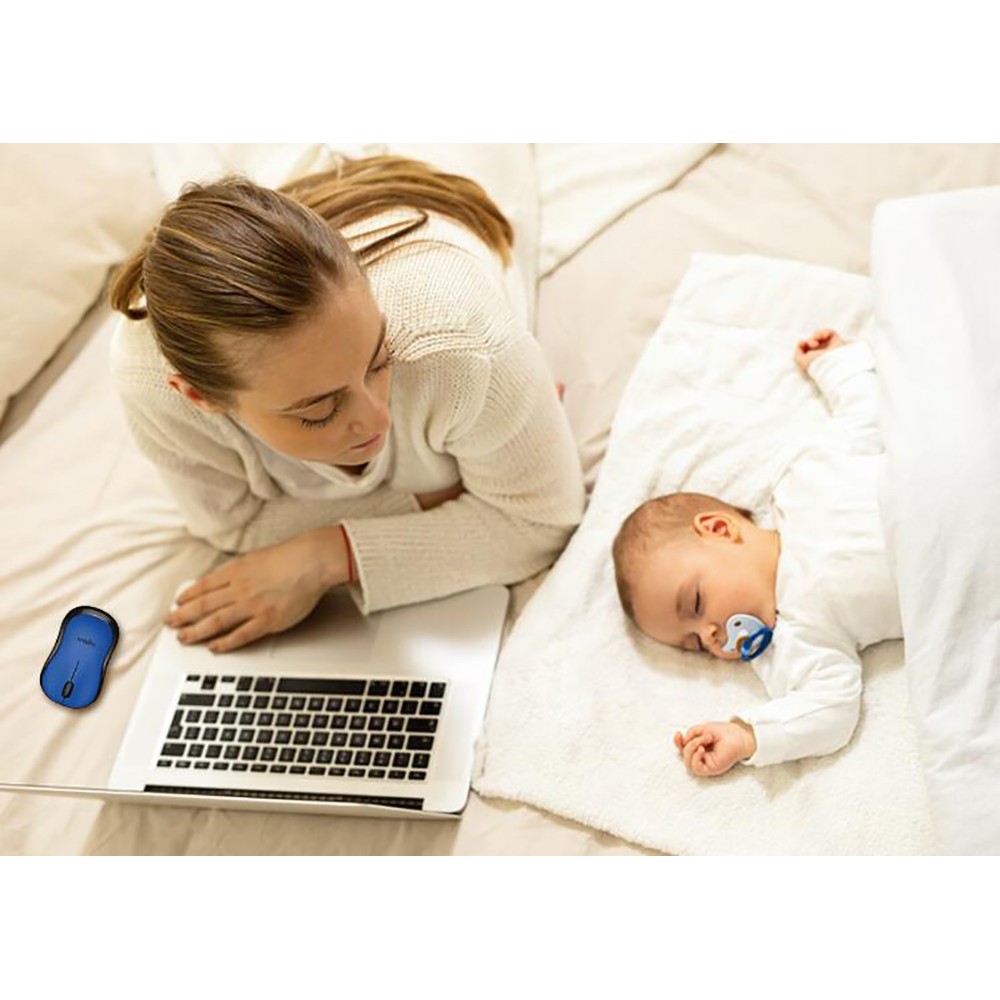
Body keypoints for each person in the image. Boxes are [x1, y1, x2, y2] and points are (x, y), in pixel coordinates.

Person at [108, 154, 585, 653]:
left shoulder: (461, 344)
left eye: (380, 360)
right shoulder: (149, 381)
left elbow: (539, 522)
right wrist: (436, 496)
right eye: (318, 409)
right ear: (199, 396)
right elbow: (233, 524)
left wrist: (332, 554)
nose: (377, 418)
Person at [611, 329, 902, 777]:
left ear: (719, 529)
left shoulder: (804, 483)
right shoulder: (795, 641)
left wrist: (836, 364)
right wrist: (749, 734)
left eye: (696, 604)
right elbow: (832, 709)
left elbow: (867, 416)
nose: (711, 635)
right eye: (696, 645)